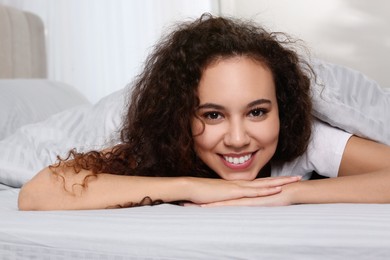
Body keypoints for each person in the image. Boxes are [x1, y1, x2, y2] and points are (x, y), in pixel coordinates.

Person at [18, 14, 390, 210]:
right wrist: (194, 188)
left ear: (282, 109)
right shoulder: (164, 146)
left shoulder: (304, 139)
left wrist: (283, 195)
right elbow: (36, 193)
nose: (239, 137)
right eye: (213, 115)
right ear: (181, 116)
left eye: (257, 112)